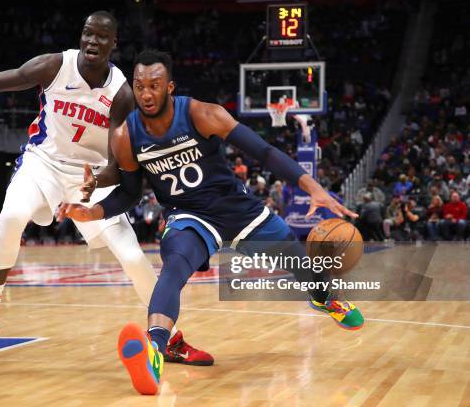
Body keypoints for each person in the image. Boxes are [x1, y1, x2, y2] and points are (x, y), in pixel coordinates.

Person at [0, 12, 212, 364]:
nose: (92, 42)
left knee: (132, 257)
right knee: (11, 216)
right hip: (44, 164)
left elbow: (119, 159)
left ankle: (170, 339)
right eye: (87, 33)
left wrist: (97, 182)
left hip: (92, 177)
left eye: (101, 37)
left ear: (114, 44)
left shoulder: (121, 93)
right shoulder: (55, 65)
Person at [60, 50, 365, 395]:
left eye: (154, 86)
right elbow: (129, 194)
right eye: (140, 86)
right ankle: (154, 351)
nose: (146, 94)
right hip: (188, 216)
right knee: (173, 267)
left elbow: (263, 152)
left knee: (302, 267)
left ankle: (324, 297)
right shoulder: (125, 136)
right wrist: (94, 211)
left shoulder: (203, 114)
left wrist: (313, 187)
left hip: (237, 210)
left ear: (169, 87)